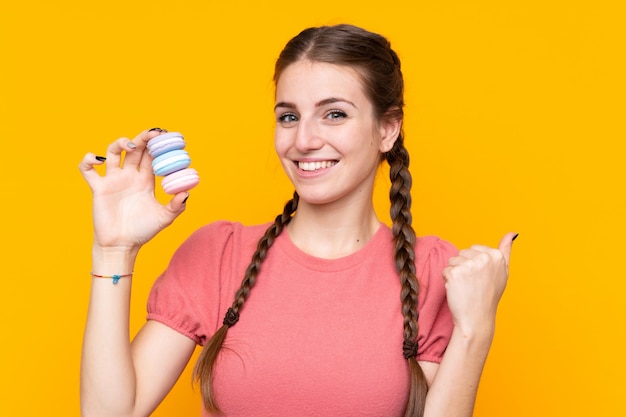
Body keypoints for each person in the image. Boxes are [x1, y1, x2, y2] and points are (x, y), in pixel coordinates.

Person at [79, 24, 516, 417]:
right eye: (289, 116)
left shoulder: (431, 270)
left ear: (387, 129)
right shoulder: (219, 254)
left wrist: (475, 329)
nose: (304, 140)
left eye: (335, 114)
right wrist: (114, 250)